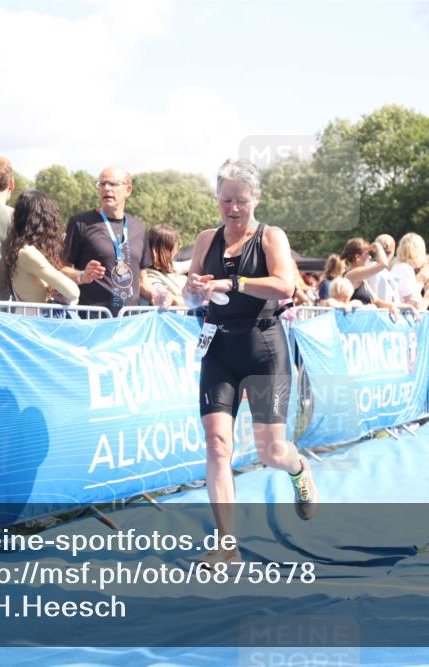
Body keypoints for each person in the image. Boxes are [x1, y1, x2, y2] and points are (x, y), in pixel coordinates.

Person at [182, 159, 318, 563]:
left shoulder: (271, 236)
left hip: (264, 347)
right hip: (219, 348)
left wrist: (234, 282)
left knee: (271, 451)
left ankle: (298, 470)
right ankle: (227, 545)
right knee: (217, 444)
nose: (233, 208)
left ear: (256, 198)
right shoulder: (207, 239)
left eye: (241, 200)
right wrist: (192, 290)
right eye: (226, 199)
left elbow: (284, 285)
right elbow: (191, 297)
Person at [62, 166, 153, 316]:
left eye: (113, 184)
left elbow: (142, 280)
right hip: (93, 322)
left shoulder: (139, 228)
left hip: (130, 323)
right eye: (102, 184)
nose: (106, 188)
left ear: (128, 190)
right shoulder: (81, 223)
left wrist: (158, 296)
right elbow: (61, 268)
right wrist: (82, 276)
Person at [1, 191, 79, 305]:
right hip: (36, 320)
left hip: (35, 319)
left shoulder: (22, 251)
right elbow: (73, 292)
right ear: (44, 221)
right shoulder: (27, 253)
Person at [341, 238, 402, 316]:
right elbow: (383, 264)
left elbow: (376, 301)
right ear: (357, 257)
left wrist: (395, 306)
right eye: (367, 254)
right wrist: (377, 245)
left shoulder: (361, 278)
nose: (370, 257)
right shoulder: (352, 274)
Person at [144, 223, 186, 307]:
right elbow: (162, 295)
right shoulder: (151, 276)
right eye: (176, 246)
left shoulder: (171, 268)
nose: (178, 249)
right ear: (167, 249)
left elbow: (191, 263)